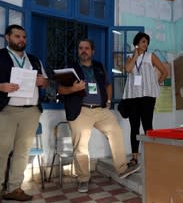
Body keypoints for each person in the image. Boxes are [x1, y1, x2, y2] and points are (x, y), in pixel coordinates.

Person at [0, 24, 48, 203]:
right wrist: (0, 87)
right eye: (17, 36)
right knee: (0, 149)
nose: (21, 40)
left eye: (24, 37)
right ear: (7, 37)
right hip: (3, 110)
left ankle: (14, 188)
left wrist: (42, 82)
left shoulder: (34, 60)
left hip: (30, 111)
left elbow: (45, 81)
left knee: (22, 151)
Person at [57, 39, 140, 193]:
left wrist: (108, 100)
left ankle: (122, 168)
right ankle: (83, 179)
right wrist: (74, 89)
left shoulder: (99, 66)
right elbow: (61, 90)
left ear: (92, 51)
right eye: (80, 48)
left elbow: (108, 85)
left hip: (100, 110)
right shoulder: (71, 67)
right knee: (81, 146)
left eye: (86, 48)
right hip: (80, 110)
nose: (83, 50)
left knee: (115, 131)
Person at [123, 32, 168, 166]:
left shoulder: (150, 56)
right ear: (137, 43)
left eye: (146, 42)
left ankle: (151, 155)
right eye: (143, 41)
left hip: (147, 96)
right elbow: (128, 69)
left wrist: (156, 83)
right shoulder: (130, 57)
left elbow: (165, 71)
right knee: (134, 127)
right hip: (132, 96)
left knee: (148, 126)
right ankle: (134, 157)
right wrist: (136, 55)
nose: (146, 44)